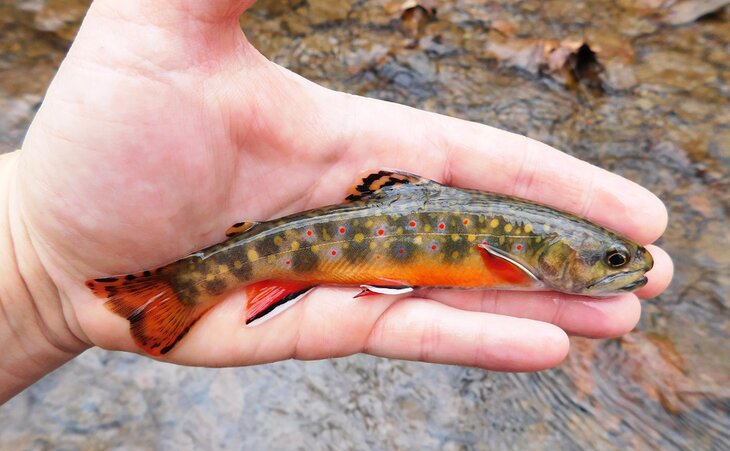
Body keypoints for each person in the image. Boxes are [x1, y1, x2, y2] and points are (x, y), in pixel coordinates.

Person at [0, 0, 672, 405]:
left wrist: (34, 272)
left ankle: (181, 287)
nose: (620, 266)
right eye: (610, 258)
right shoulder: (517, 256)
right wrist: (32, 257)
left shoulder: (527, 249)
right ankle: (180, 288)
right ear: (556, 256)